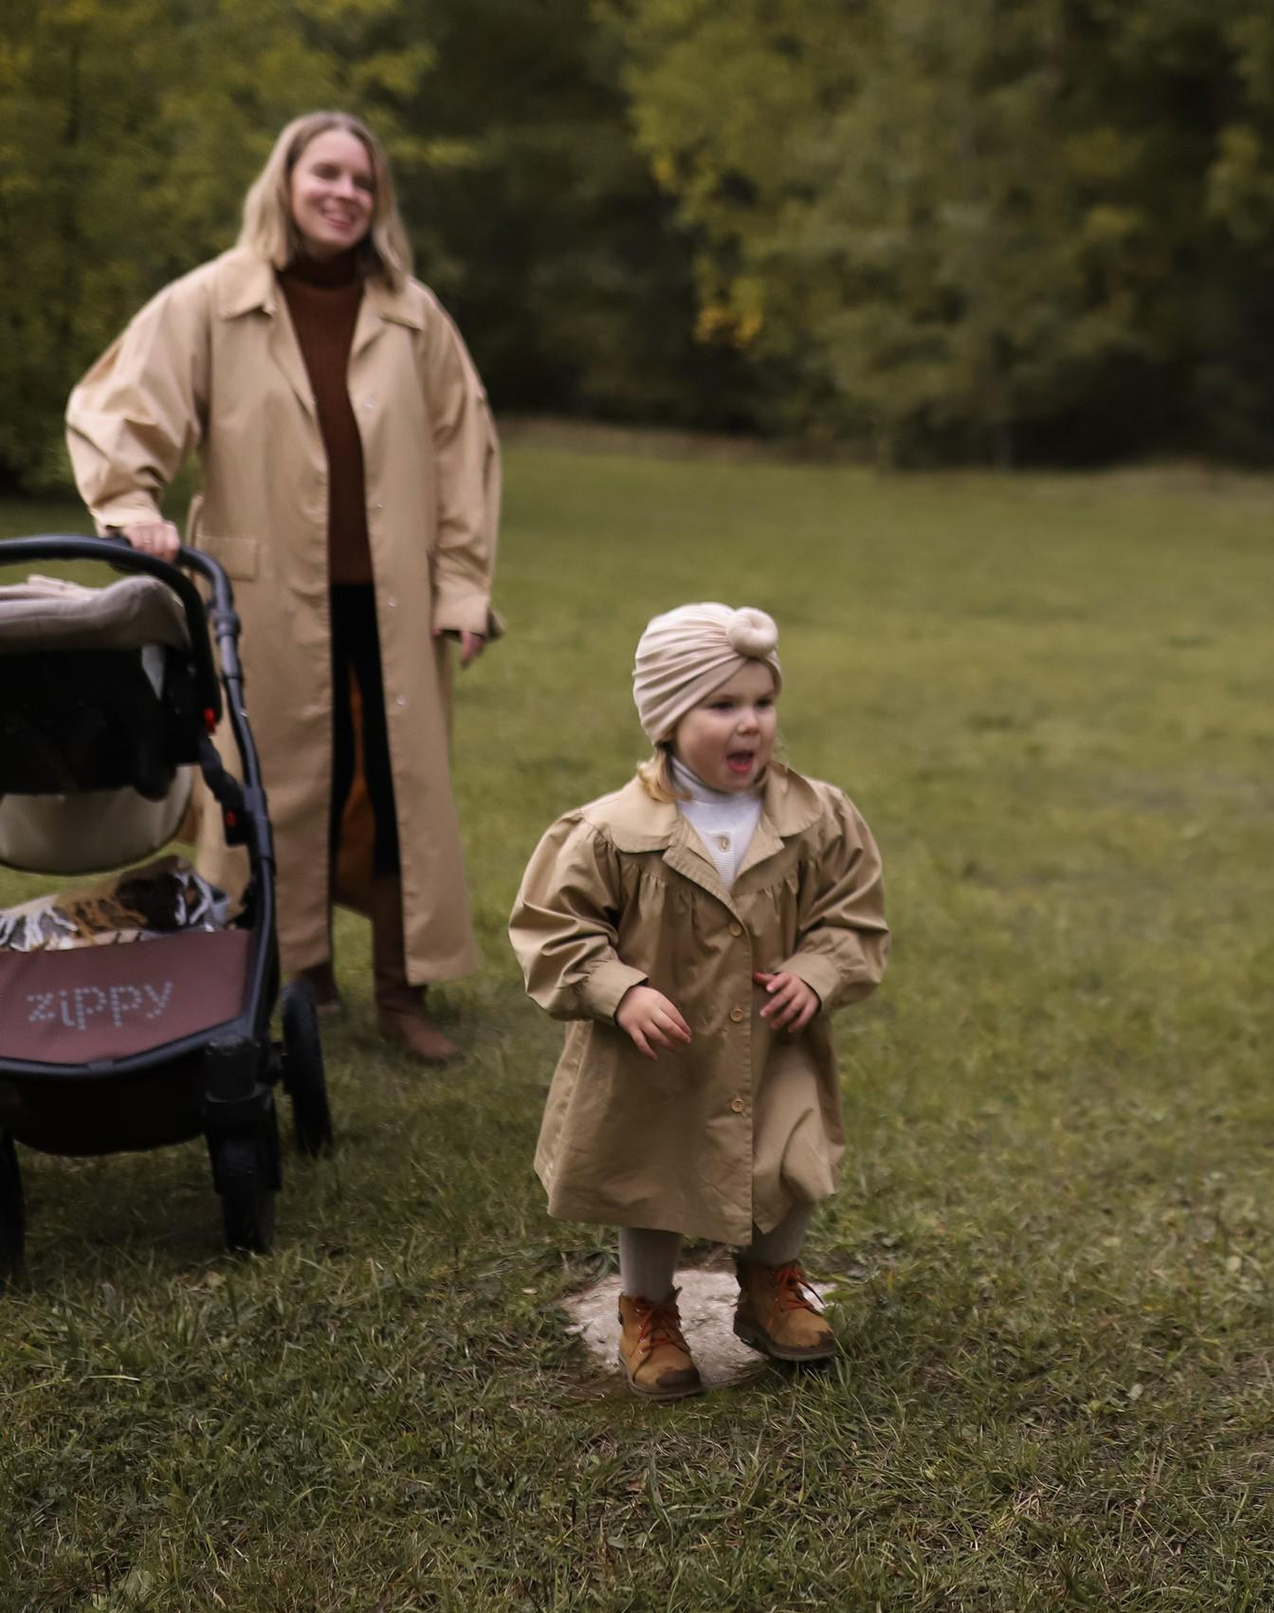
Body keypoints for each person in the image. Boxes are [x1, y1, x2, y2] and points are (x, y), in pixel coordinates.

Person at [65, 110, 501, 1062]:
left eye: (363, 179)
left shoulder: (413, 314)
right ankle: (297, 973)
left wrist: (465, 587)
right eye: (326, 175)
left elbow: (463, 451)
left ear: (378, 198)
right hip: (256, 596)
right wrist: (132, 500)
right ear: (286, 183)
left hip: (395, 598)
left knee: (394, 789)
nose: (345, 193)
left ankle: (402, 988)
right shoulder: (211, 300)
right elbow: (118, 406)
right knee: (277, 782)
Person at [510, 604, 889, 1400]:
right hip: (658, 1049)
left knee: (790, 1159)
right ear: (667, 719)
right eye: (721, 706)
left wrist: (819, 971)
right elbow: (553, 928)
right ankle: (648, 1312)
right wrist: (619, 988)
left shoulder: (815, 817)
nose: (749, 723)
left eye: (761, 701)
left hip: (774, 1039)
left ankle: (770, 1285)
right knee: (652, 1171)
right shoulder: (612, 831)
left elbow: (853, 915)